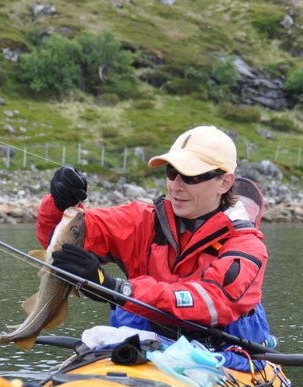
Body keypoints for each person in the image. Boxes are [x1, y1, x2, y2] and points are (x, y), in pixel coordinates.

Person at [36, 125, 273, 362]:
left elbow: (213, 301)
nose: (175, 186)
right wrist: (60, 203)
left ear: (224, 183)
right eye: (172, 172)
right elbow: (64, 237)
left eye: (191, 177)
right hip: (141, 346)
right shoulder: (142, 220)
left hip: (222, 354)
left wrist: (120, 290)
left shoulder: (247, 246)